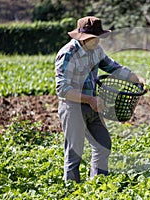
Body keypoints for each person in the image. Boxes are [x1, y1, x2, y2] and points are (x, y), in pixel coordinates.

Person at [55, 16, 143, 182]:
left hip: (93, 105)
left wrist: (137, 78)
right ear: (82, 38)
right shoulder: (67, 54)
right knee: (74, 153)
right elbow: (62, 89)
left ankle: (97, 185)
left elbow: (114, 68)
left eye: (98, 37)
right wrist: (89, 99)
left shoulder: (96, 51)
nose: (98, 41)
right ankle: (70, 189)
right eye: (93, 38)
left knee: (103, 145)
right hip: (73, 107)